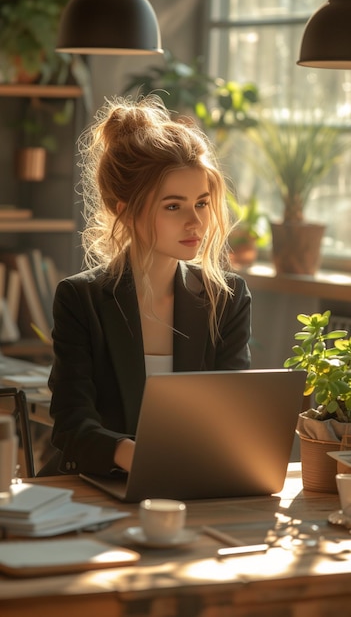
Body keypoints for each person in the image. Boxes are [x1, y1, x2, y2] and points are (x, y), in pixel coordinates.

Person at [43, 95, 251, 477]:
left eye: (202, 203)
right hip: (96, 485)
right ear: (125, 209)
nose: (196, 222)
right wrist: (139, 459)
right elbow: (72, 427)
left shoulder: (228, 299)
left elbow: (233, 419)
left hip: (193, 484)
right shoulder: (80, 299)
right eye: (173, 206)